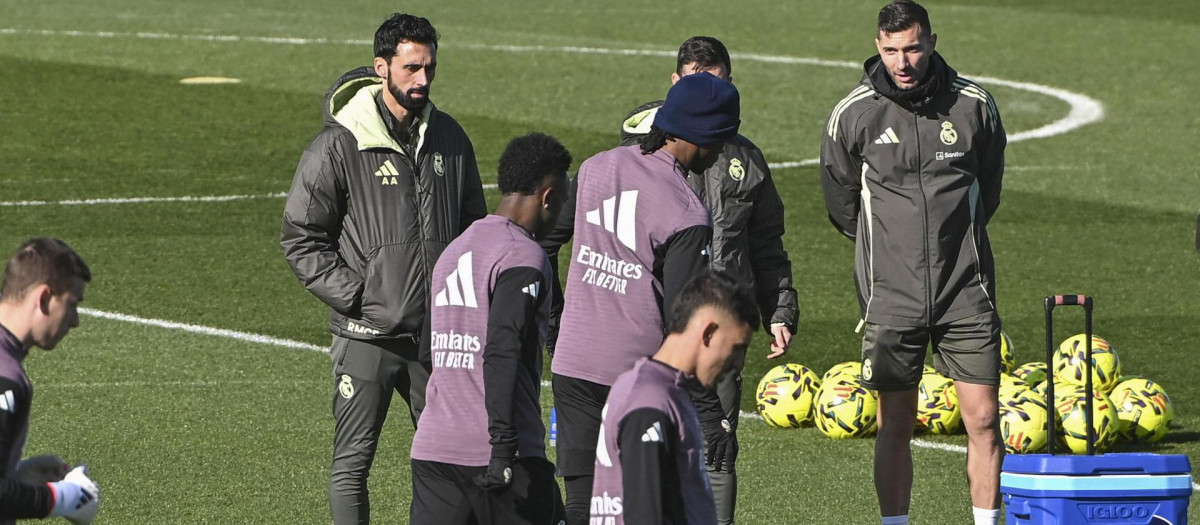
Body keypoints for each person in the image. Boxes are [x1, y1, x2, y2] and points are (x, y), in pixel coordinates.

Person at [279, 12, 487, 525]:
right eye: (412, 68)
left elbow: (474, 231)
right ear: (381, 68)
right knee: (352, 465)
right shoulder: (338, 144)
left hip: (435, 339)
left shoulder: (451, 138)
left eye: (429, 68)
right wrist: (361, 297)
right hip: (365, 337)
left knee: (459, 458)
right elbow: (301, 239)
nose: (423, 80)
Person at [819, 2, 1007, 524]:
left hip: (966, 292)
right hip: (890, 297)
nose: (902, 62)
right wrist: (888, 254)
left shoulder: (974, 107)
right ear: (878, 46)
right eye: (891, 50)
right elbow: (842, 205)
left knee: (985, 421)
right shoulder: (853, 114)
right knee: (894, 423)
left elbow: (987, 192)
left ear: (932, 41)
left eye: (913, 48)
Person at [617, 36, 798, 524]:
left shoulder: (747, 161)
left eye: (717, 86)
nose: (708, 98)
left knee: (716, 446)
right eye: (696, 84)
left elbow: (766, 245)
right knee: (639, 443)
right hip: (650, 328)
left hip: (718, 335)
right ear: (675, 83)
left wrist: (779, 309)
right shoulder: (642, 153)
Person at [550, 71, 740, 525]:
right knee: (644, 508)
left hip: (572, 366)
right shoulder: (686, 211)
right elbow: (685, 321)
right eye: (719, 141)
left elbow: (543, 241)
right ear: (702, 136)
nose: (718, 154)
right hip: (635, 382)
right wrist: (711, 415)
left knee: (582, 505)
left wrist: (555, 322)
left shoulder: (597, 166)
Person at [408, 133, 571, 524]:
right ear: (547, 198)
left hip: (434, 450)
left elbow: (429, 351)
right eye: (562, 201)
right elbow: (503, 349)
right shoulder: (522, 255)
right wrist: (502, 445)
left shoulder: (455, 250)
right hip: (500, 456)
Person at [590, 270, 758, 525]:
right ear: (709, 332)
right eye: (737, 349)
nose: (737, 363)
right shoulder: (650, 401)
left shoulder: (662, 389)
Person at [0, 238, 101, 524]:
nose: (75, 320)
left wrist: (15, 476)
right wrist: (65, 498)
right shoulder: (4, 378)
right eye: (72, 303)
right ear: (43, 298)